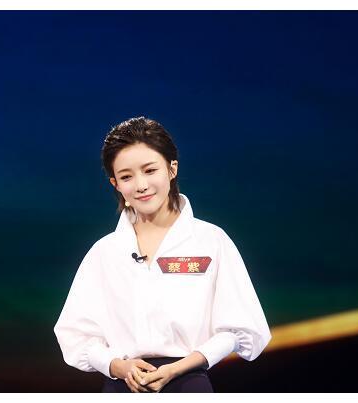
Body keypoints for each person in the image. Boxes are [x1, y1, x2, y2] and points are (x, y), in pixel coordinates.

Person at [53, 117, 272, 393]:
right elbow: (77, 335)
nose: (141, 185)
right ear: (115, 184)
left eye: (150, 170)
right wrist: (118, 366)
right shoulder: (104, 252)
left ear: (172, 169)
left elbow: (238, 330)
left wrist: (178, 368)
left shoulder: (211, 240)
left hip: (188, 383)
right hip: (123, 386)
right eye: (127, 177)